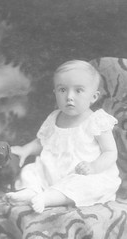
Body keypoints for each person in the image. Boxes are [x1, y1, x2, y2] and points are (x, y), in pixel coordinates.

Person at [6, 60, 121, 213]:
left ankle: (47, 199)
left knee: (83, 185)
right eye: (62, 90)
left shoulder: (97, 121)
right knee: (30, 170)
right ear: (55, 93)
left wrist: (93, 167)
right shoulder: (54, 117)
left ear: (93, 97)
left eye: (78, 90)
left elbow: (110, 152)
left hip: (82, 173)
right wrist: (25, 149)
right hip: (53, 172)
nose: (69, 97)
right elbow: (43, 141)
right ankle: (31, 192)